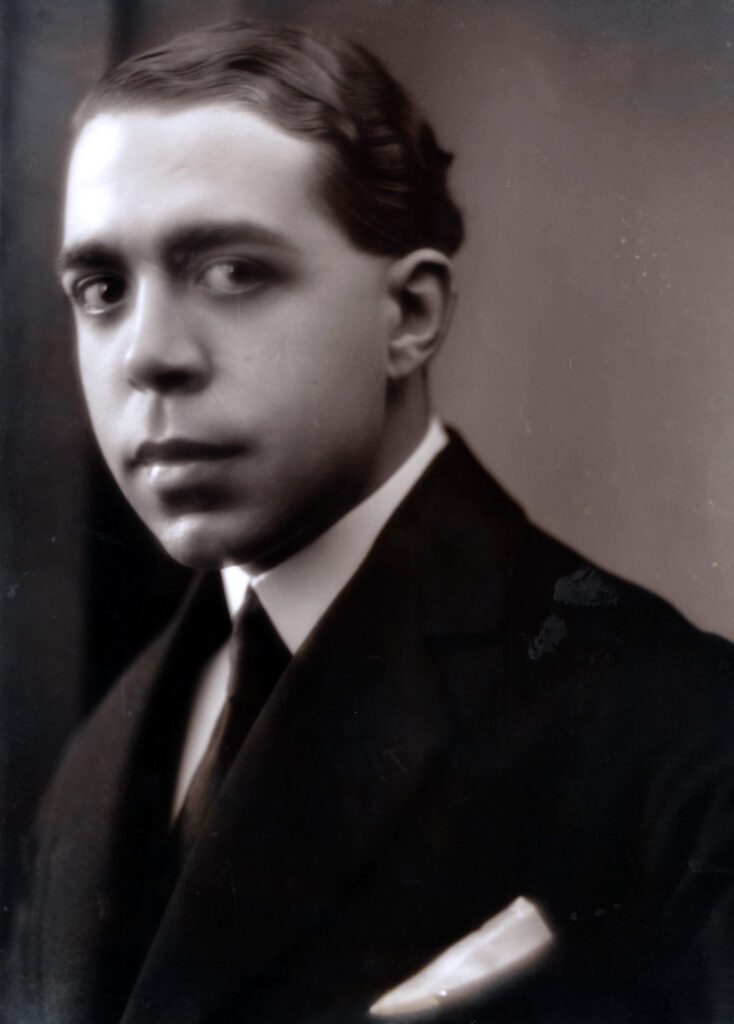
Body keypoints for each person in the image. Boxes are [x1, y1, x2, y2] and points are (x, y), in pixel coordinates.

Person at [6, 18, 734, 1024]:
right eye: (101, 289)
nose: (147, 355)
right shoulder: (99, 760)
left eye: (232, 271)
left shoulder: (674, 729)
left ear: (410, 316)